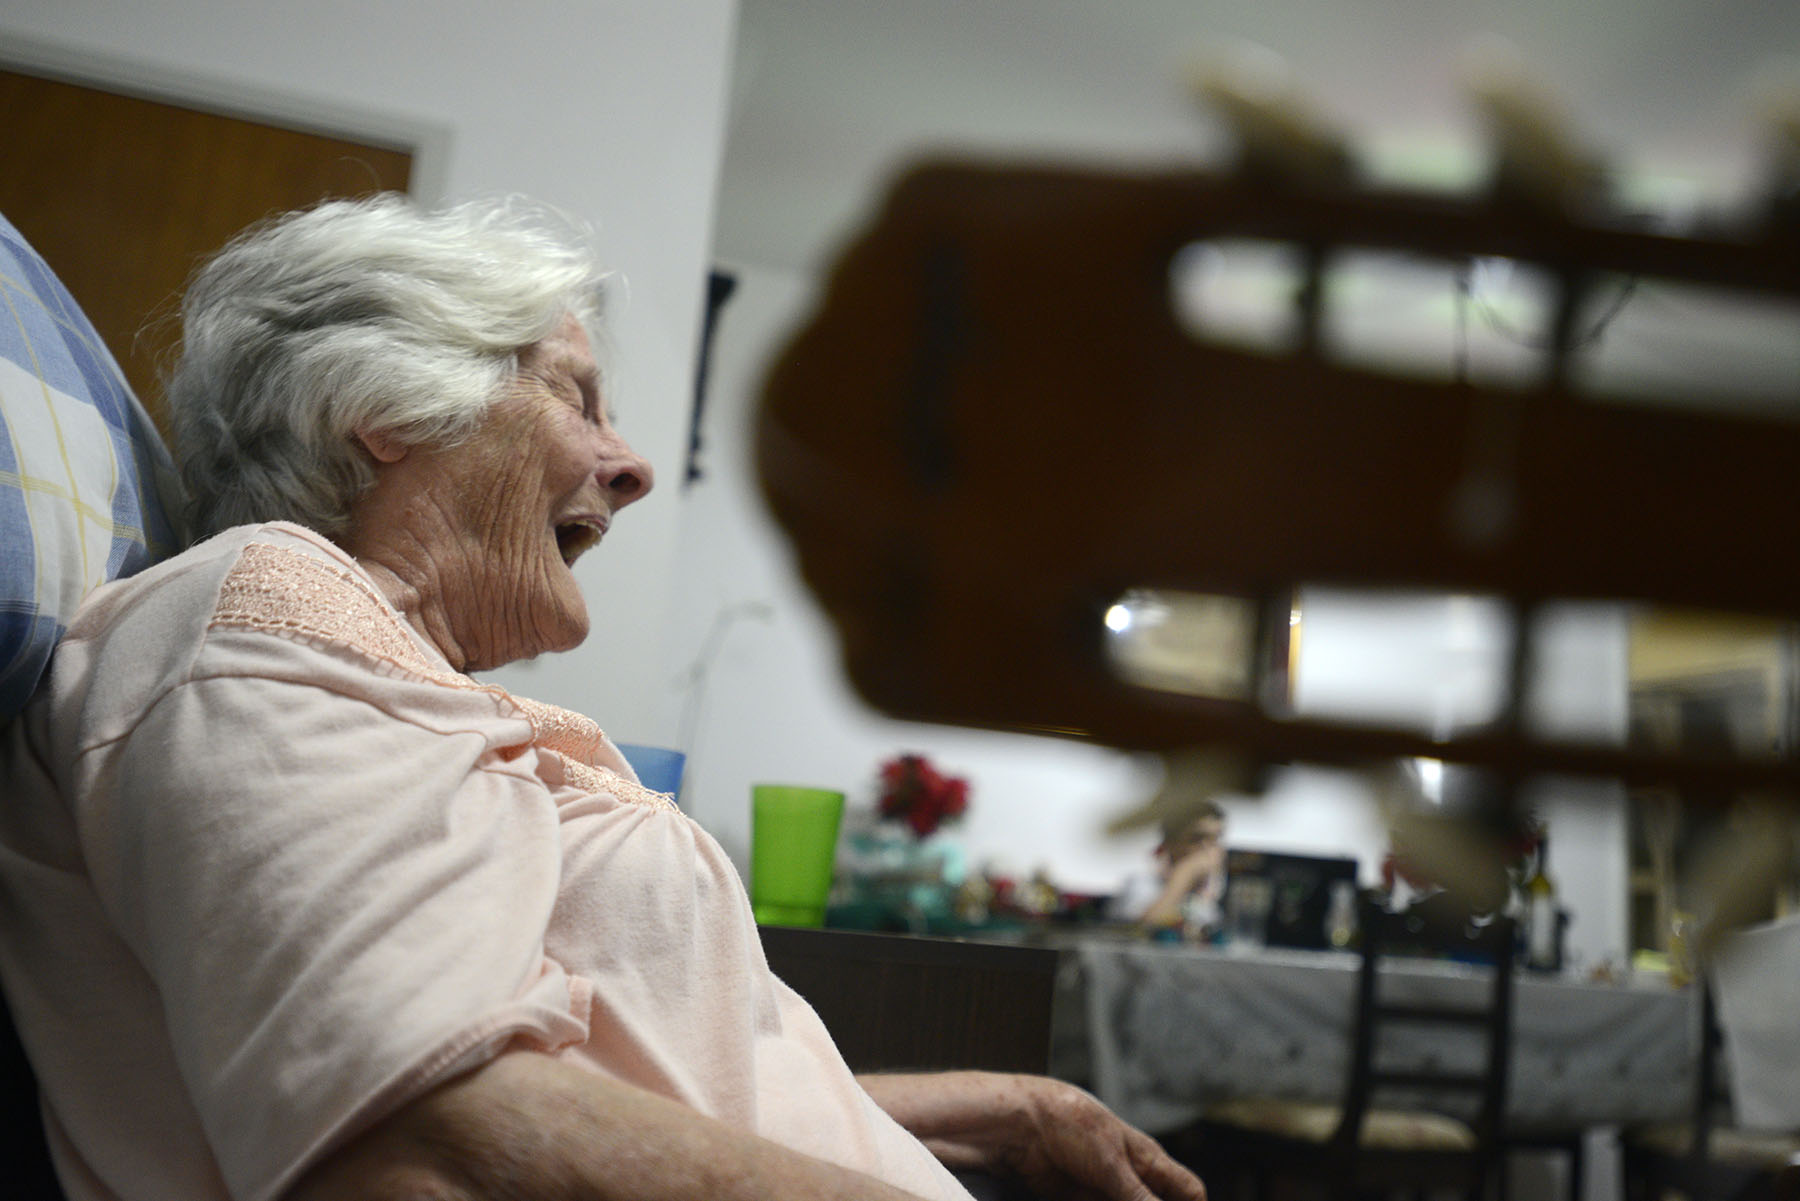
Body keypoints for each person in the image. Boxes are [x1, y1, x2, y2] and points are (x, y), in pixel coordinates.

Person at [0, 194, 1207, 1201]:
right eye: (577, 396)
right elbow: (430, 1135)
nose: (630, 469)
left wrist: (997, 1106)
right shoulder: (264, 614)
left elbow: (627, 1084)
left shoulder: (387, 683)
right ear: (382, 409)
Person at [1112, 801, 1228, 939]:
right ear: (1170, 841)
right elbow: (1139, 930)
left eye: (1215, 840)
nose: (1207, 850)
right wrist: (1184, 876)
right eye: (1196, 839)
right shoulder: (1142, 880)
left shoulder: (1212, 888)